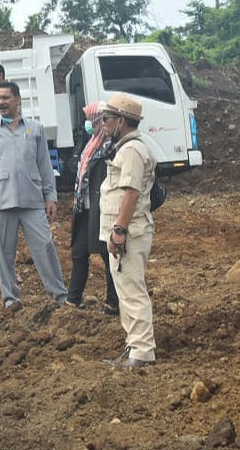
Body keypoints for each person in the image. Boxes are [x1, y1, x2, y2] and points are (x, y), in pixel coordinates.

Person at [0, 82, 68, 312]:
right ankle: (11, 298)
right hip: (1, 200)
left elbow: (44, 165)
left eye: (6, 98)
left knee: (45, 245)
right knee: (4, 252)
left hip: (32, 199)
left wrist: (50, 196)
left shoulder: (35, 129)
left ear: (18, 100)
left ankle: (59, 295)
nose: (1, 103)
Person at [98, 92, 157, 369]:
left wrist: (119, 230)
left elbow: (131, 193)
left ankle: (142, 353)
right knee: (125, 290)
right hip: (127, 230)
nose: (104, 124)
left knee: (132, 290)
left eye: (107, 119)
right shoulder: (126, 147)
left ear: (121, 121)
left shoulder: (132, 150)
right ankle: (135, 346)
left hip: (130, 232)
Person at [65, 101, 119, 315]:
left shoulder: (112, 148)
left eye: (91, 120)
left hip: (102, 209)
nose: (88, 124)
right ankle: (73, 299)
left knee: (108, 255)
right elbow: (74, 167)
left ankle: (113, 303)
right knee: (78, 253)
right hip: (84, 209)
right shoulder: (89, 143)